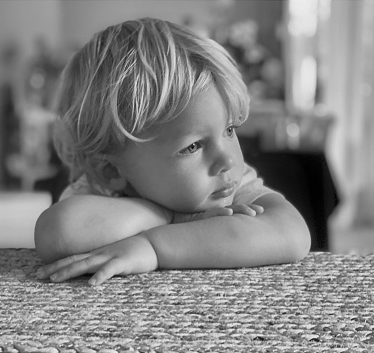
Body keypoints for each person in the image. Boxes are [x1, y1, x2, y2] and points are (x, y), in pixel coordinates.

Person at [35, 18, 310, 286]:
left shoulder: (229, 186)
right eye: (193, 146)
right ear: (111, 171)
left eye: (229, 130)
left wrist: (154, 246)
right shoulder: (100, 191)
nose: (227, 160)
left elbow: (292, 234)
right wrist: (173, 217)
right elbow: (58, 234)